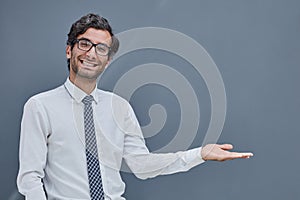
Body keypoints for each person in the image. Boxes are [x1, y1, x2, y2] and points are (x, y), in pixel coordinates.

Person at [17, 13, 253, 200]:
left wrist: (198, 154)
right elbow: (30, 178)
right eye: (84, 44)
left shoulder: (120, 108)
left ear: (107, 61)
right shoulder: (39, 107)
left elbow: (141, 165)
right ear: (70, 50)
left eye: (101, 48)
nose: (91, 53)